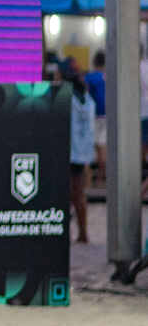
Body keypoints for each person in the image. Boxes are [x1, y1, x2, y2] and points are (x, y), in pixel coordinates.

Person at [66, 57, 94, 243]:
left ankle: (81, 233)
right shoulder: (87, 99)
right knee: (78, 192)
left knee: (72, 193)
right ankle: (82, 231)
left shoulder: (68, 99)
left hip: (70, 150)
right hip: (82, 151)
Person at [86, 50, 107, 186]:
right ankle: (100, 179)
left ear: (94, 62)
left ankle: (87, 180)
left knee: (88, 147)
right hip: (105, 115)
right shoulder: (107, 77)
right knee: (102, 147)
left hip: (92, 116)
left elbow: (86, 95)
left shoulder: (90, 77)